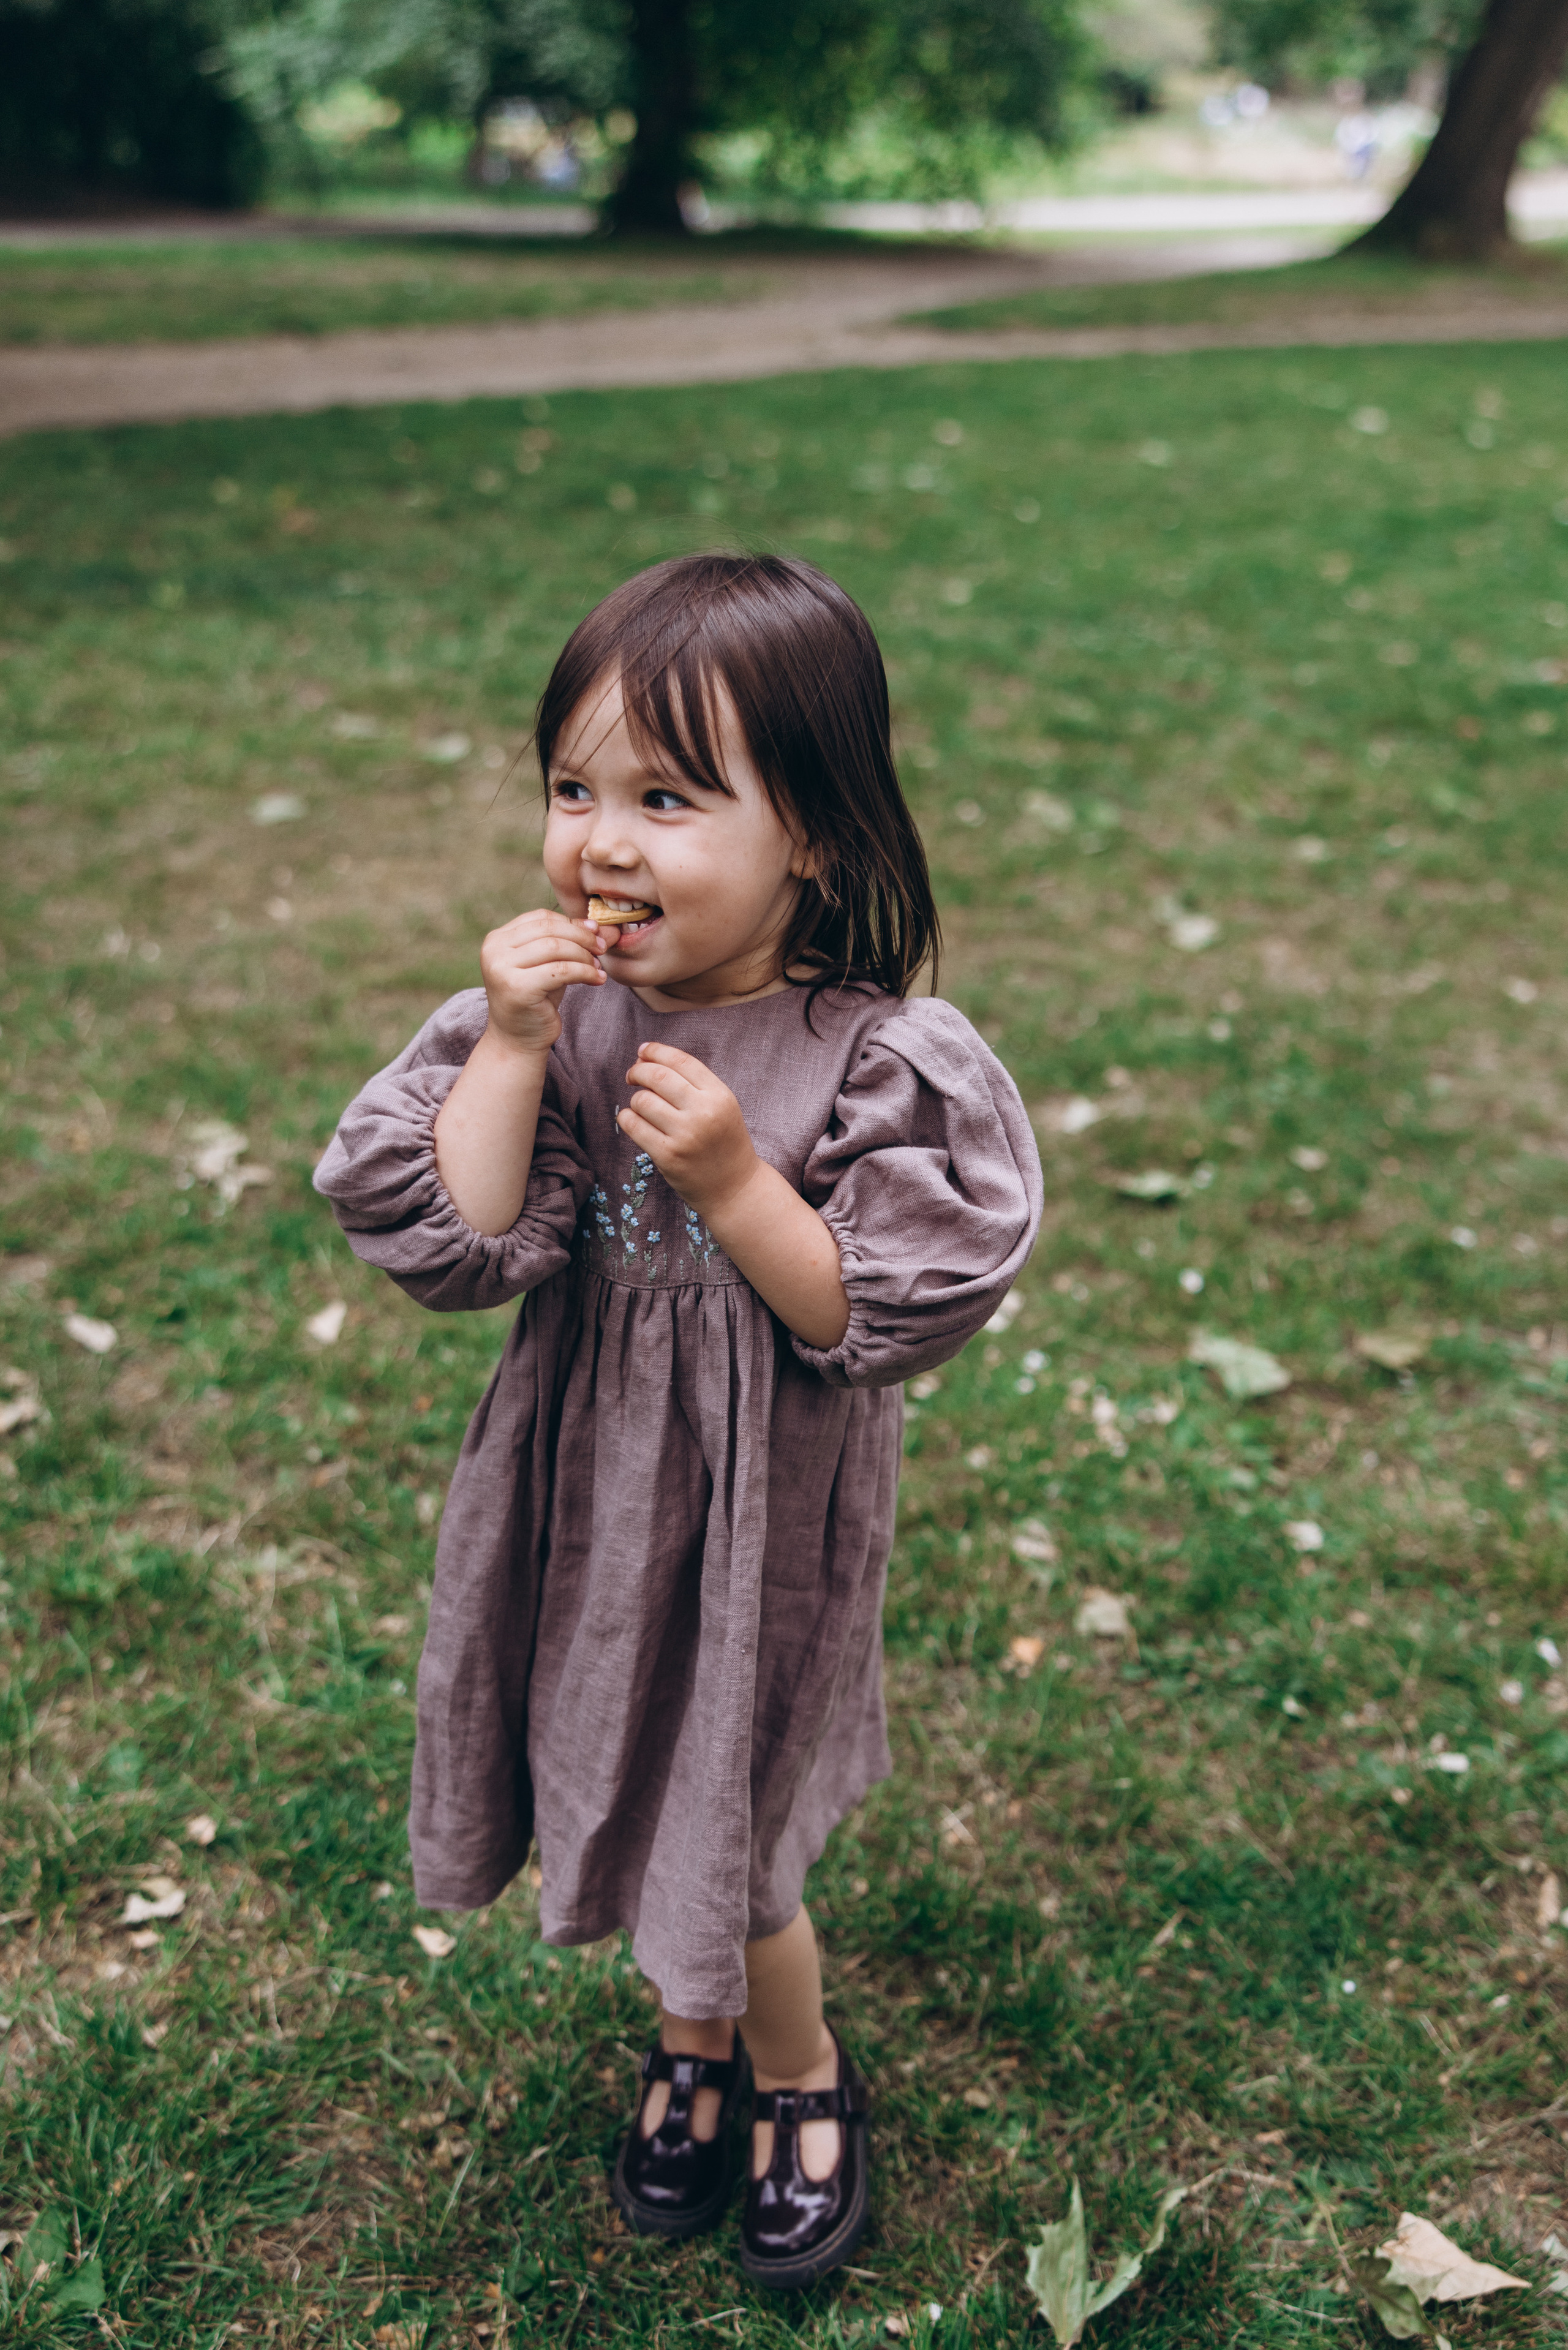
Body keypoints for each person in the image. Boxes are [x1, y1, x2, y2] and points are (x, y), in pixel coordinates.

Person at [315, 552, 1042, 2288]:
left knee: (734, 1818)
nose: (603, 844)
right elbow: (461, 1243)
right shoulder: (556, 1024)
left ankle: (794, 2067)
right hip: (586, 1493)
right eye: (574, 790)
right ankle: (692, 2038)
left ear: (819, 837)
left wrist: (731, 1179)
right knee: (630, 1762)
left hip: (761, 1517)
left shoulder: (873, 1056)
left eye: (666, 799)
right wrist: (512, 1045)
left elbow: (862, 1315)